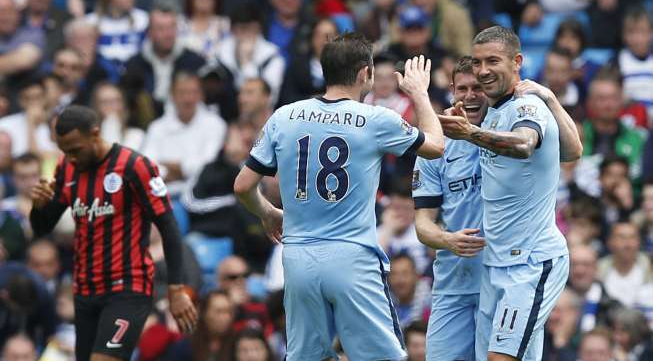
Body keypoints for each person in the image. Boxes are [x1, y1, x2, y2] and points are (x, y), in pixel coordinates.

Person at [233, 32, 445, 360]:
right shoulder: (376, 119)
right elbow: (436, 146)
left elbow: (243, 186)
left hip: (299, 258)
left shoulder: (285, 116)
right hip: (353, 258)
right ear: (365, 73)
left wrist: (268, 212)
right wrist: (419, 93)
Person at [414, 54, 582, 360]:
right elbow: (422, 225)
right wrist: (447, 239)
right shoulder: (438, 145)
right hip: (454, 280)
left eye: (477, 88)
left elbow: (572, 151)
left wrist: (550, 99)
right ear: (452, 90)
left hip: (510, 275)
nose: (469, 96)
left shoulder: (513, 124)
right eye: (461, 89)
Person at [28, 105, 197, 361]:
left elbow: (169, 226)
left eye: (75, 150)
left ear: (95, 134)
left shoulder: (134, 166)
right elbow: (42, 227)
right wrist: (38, 207)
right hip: (85, 290)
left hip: (127, 288)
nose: (71, 157)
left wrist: (176, 289)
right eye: (64, 151)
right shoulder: (67, 166)